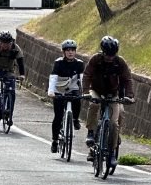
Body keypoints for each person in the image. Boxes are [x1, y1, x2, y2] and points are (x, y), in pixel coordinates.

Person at [82, 35, 135, 166]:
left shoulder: (120, 62)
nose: (109, 58)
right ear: (103, 52)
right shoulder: (95, 59)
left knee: (114, 123)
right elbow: (87, 75)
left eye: (112, 55)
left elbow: (127, 79)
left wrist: (130, 96)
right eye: (107, 55)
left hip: (113, 94)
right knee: (94, 105)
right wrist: (85, 92)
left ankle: (112, 152)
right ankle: (90, 132)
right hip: (97, 91)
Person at [47, 39, 84, 153]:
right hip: (59, 90)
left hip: (73, 88)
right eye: (67, 50)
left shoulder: (79, 63)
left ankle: (75, 119)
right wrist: (51, 91)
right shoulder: (58, 63)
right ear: (63, 52)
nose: (70, 52)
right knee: (58, 116)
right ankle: (54, 141)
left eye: (72, 50)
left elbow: (82, 78)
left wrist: (85, 92)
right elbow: (53, 77)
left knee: (77, 100)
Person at [0, 30, 25, 113]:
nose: (6, 45)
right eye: (3, 43)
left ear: (11, 42)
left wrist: (22, 75)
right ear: (0, 42)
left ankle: (9, 112)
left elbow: (20, 62)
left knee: (12, 91)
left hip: (9, 70)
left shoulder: (15, 48)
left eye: (8, 43)